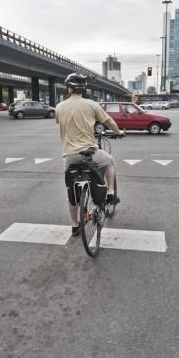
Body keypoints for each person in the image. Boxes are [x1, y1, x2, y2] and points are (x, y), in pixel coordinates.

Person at [55, 73, 123, 236]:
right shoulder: (92, 105)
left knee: (71, 193)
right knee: (109, 161)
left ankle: (74, 225)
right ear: (83, 89)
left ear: (69, 88)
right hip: (90, 152)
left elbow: (60, 122)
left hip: (69, 156)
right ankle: (111, 193)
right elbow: (109, 122)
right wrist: (118, 131)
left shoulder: (59, 107)